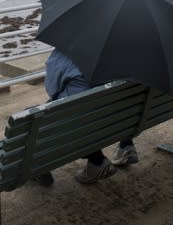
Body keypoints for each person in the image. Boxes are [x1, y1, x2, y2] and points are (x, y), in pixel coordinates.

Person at [33, 49, 138, 186]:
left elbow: (52, 90)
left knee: (34, 116)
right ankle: (126, 146)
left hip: (78, 129)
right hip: (122, 121)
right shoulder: (126, 54)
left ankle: (97, 162)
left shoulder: (64, 53)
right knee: (98, 109)